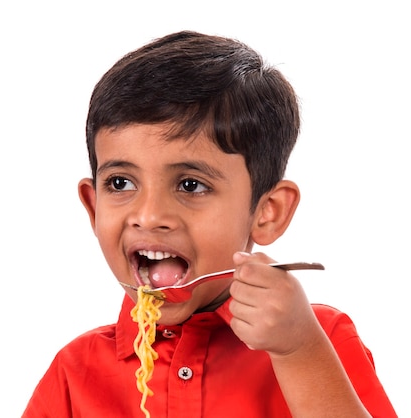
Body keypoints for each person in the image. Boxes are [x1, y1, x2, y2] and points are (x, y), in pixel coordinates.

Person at [21, 31, 397, 417]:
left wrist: (299, 351)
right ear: (94, 206)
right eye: (121, 183)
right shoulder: (73, 374)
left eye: (191, 185)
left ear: (268, 212)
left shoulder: (317, 341)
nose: (149, 216)